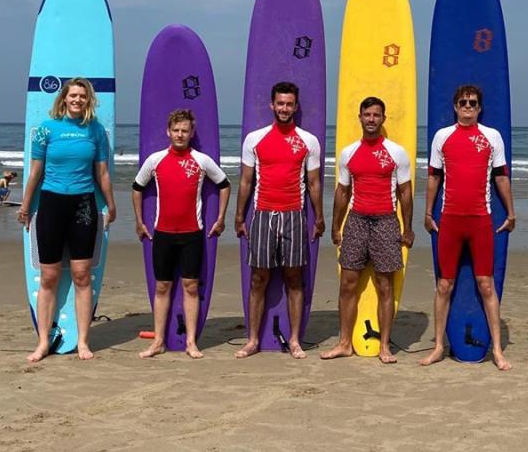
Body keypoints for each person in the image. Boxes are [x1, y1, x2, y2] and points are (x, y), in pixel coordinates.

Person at [17, 78, 116, 362]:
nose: (77, 100)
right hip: (51, 204)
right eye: (73, 95)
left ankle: (84, 341)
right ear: (64, 98)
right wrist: (25, 206)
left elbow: (103, 174)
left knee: (82, 276)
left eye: (82, 96)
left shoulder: (96, 131)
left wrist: (111, 204)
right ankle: (43, 342)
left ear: (88, 100)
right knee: (48, 276)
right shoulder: (47, 129)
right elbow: (35, 171)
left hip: (83, 205)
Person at [420, 84, 515, 370]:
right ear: (455, 106)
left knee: (486, 284)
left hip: (480, 220)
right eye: (463, 102)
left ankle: (497, 350)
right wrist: (427, 212)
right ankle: (438, 346)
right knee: (444, 284)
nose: (468, 107)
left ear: (480, 108)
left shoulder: (492, 137)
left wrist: (511, 212)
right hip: (449, 219)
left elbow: (500, 177)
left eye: (473, 103)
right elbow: (434, 178)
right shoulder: (443, 137)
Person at [321, 97, 414, 365]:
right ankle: (344, 343)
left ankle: (384, 346)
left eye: (376, 115)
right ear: (359, 118)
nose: (371, 119)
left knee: (385, 285)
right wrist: (336, 225)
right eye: (367, 115)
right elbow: (342, 191)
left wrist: (407, 228)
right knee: (348, 284)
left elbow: (405, 193)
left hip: (386, 220)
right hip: (357, 220)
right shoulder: (349, 153)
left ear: (383, 119)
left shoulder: (396, 152)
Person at [235, 81, 324, 359]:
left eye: (289, 104)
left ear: (295, 107)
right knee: (258, 279)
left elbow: (314, 184)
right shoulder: (254, 139)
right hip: (262, 213)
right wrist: (239, 215)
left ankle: (295, 339)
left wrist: (319, 216)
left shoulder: (308, 141)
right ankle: (252, 340)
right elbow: (246, 181)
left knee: (294, 278)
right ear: (272, 105)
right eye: (280, 103)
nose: (284, 108)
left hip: (294, 215)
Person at [132, 108, 231, 359]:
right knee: (162, 287)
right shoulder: (155, 160)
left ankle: (190, 342)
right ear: (168, 131)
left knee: (190, 287)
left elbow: (224, 185)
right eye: (175, 130)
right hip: (162, 234)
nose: (180, 134)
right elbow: (136, 187)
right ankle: (158, 342)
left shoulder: (201, 160)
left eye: (184, 130)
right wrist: (139, 222)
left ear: (191, 132)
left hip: (192, 234)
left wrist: (220, 219)